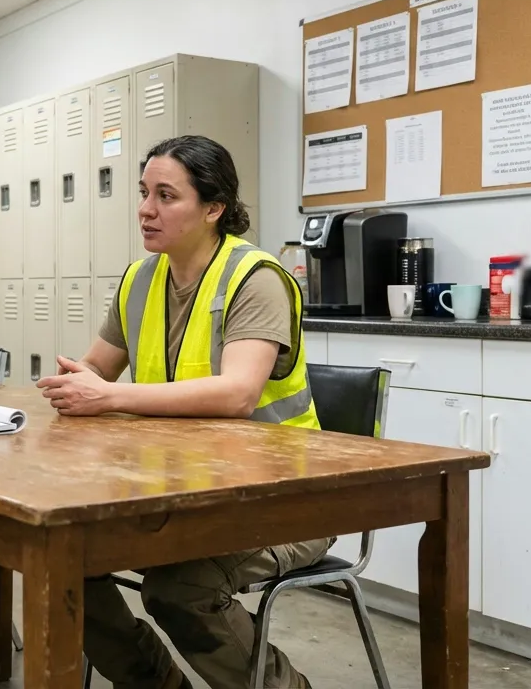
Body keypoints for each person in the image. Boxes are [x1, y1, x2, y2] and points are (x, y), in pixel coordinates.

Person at [36, 134, 326, 689]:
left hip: (285, 497)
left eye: (166, 195)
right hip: (186, 489)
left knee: (181, 588)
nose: (146, 210)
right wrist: (76, 384)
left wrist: (109, 396)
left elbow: (238, 394)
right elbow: (96, 371)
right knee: (63, 563)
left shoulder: (256, 279)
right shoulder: (140, 279)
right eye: (144, 193)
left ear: (213, 208)